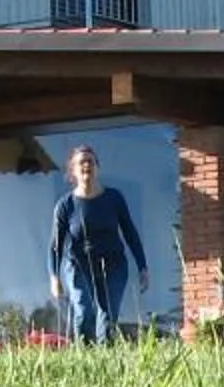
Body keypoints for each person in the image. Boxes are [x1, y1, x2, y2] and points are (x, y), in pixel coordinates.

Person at [47, 145, 150, 344]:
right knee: (84, 311)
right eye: (81, 162)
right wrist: (54, 277)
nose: (87, 165)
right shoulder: (65, 205)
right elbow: (55, 246)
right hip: (77, 265)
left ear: (98, 167)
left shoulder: (114, 198)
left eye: (91, 161)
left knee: (107, 315)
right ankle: (83, 355)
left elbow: (130, 232)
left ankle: (105, 355)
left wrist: (142, 266)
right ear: (73, 171)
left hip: (113, 265)